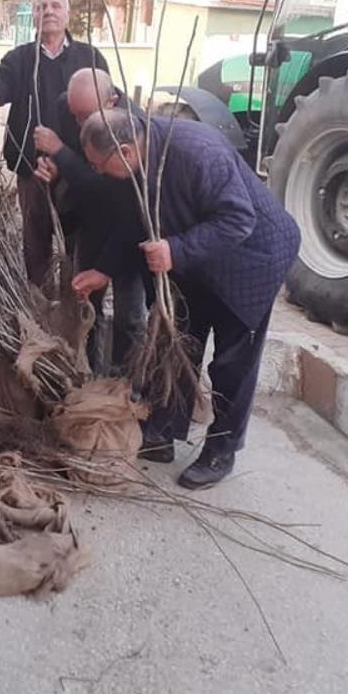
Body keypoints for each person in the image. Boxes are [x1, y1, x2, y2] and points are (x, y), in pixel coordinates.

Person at [76, 108, 300, 489]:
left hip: (249, 261)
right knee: (176, 342)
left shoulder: (197, 152)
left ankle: (222, 448)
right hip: (196, 262)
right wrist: (104, 270)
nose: (96, 171)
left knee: (232, 362)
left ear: (126, 151)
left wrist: (176, 250)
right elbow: (134, 217)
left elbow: (237, 220)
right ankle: (162, 430)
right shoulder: (137, 163)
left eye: (99, 165)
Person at [0, 0, 108, 286]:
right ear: (34, 16)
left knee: (78, 244)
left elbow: (106, 109)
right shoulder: (19, 59)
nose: (48, 11)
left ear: (67, 13)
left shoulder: (90, 57)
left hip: (78, 170)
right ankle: (41, 309)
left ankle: (74, 307)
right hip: (31, 170)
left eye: (55, 6)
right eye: (41, 7)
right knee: (36, 245)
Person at [31, 68, 146, 373]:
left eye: (86, 116)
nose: (78, 123)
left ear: (112, 102)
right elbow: (69, 159)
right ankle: (86, 371)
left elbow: (104, 188)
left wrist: (60, 153)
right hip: (91, 219)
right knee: (86, 303)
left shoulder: (131, 128)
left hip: (128, 222)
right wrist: (53, 166)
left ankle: (123, 382)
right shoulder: (65, 107)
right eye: (75, 115)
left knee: (129, 312)